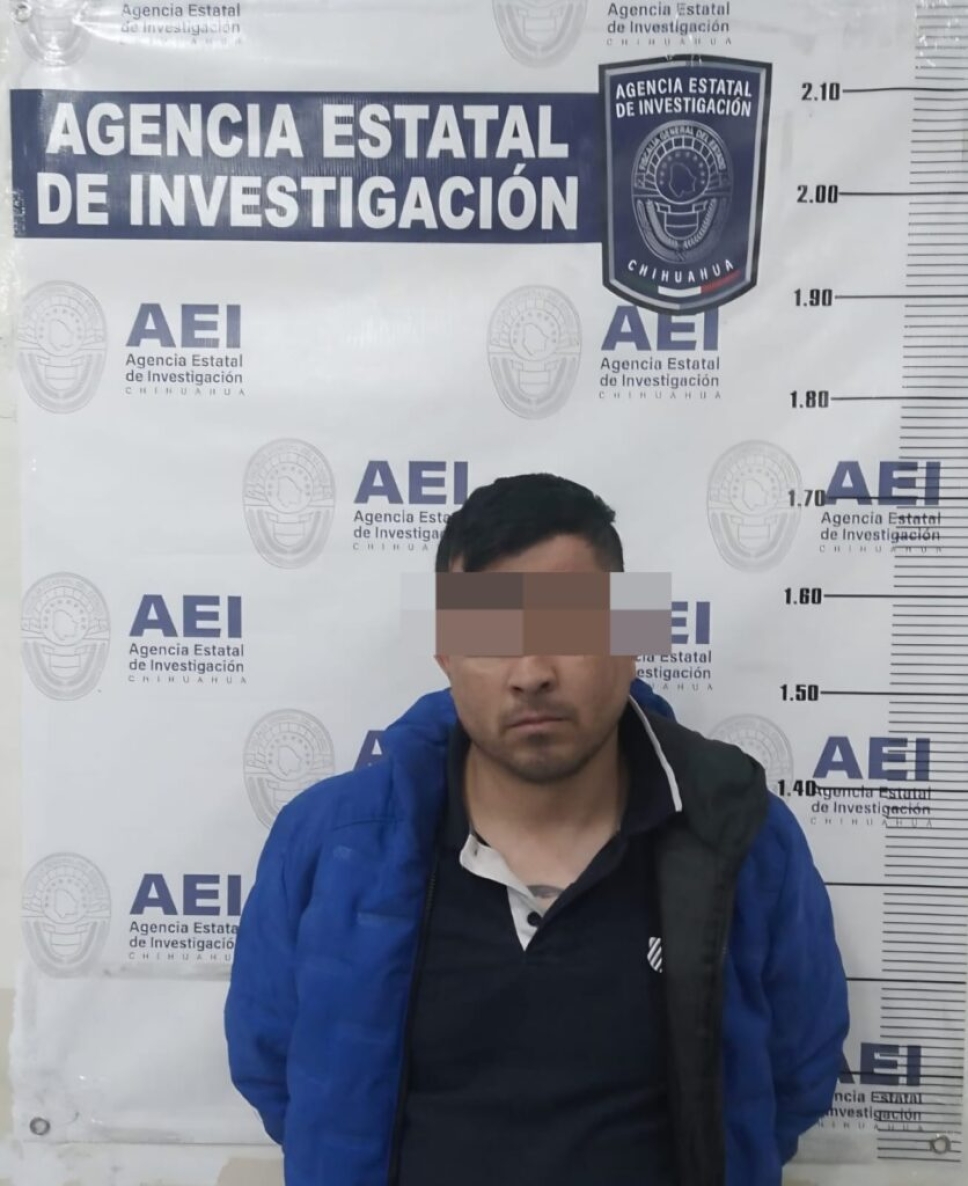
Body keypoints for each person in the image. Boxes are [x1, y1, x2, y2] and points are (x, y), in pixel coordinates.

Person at [224, 472, 849, 1186]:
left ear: (630, 639)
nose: (532, 672)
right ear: (445, 654)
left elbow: (794, 1074)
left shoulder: (739, 837)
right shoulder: (330, 844)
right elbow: (278, 1071)